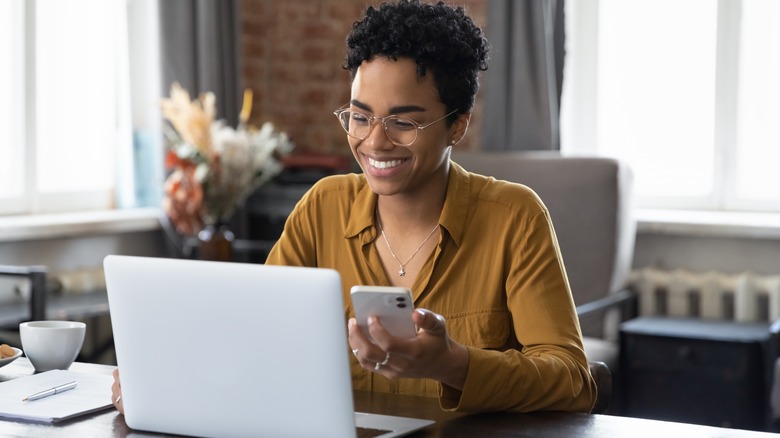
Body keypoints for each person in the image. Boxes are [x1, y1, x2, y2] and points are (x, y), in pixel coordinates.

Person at [113, 0, 596, 414]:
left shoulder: (514, 217)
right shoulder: (323, 206)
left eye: (403, 123)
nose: (374, 141)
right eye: (360, 116)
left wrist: (453, 363)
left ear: (457, 126)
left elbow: (574, 380)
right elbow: (253, 334)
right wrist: (164, 372)